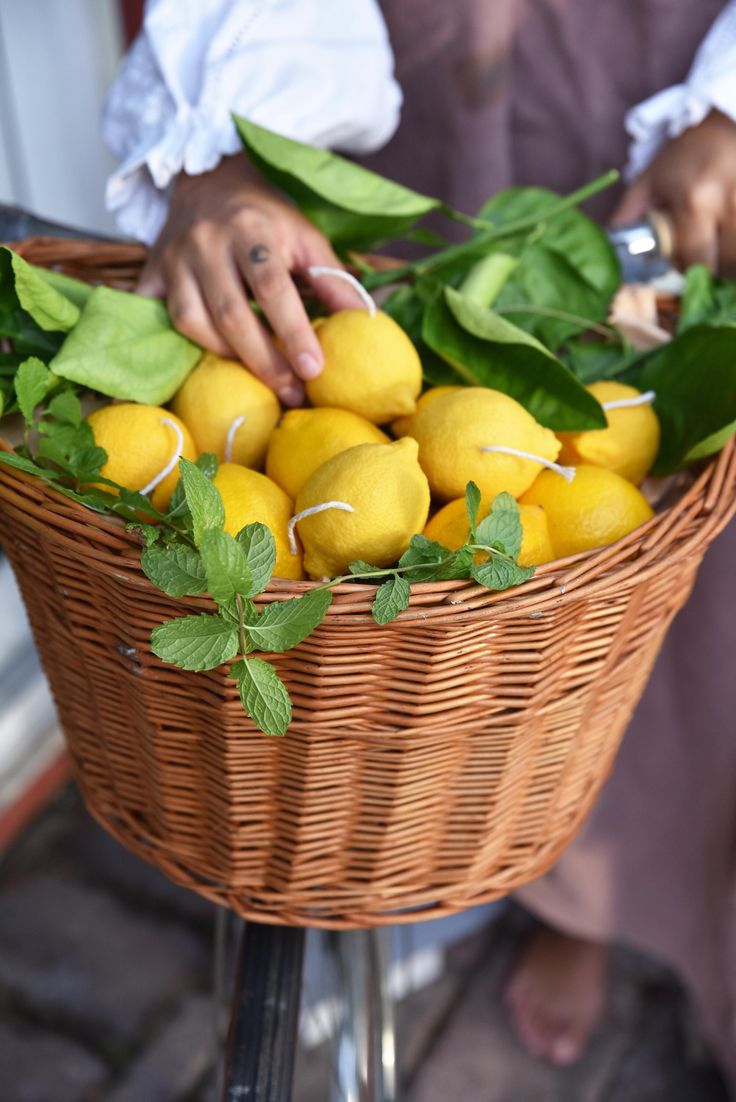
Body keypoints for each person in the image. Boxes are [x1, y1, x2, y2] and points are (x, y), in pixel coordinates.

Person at [103, 0, 736, 1087]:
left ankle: (596, 898)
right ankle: (461, 859)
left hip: (658, 46)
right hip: (408, 73)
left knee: (624, 588)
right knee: (420, 617)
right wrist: (226, 148)